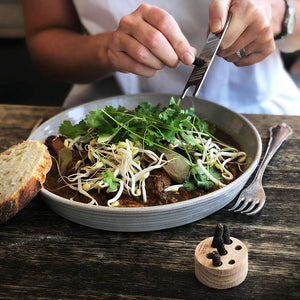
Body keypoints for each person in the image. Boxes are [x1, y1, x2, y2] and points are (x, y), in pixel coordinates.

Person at [21, 0, 300, 114]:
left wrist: (279, 11)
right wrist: (107, 49)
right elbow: (46, 36)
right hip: (108, 114)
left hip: (255, 112)